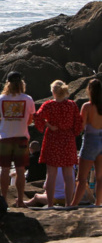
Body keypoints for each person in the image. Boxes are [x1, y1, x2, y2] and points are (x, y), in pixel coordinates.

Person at [33, 80, 83, 208]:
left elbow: (37, 117)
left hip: (53, 138)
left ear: (53, 92)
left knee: (51, 174)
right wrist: (72, 131)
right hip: (67, 139)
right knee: (68, 174)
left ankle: (50, 204)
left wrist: (48, 124)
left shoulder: (49, 105)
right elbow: (78, 123)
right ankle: (68, 204)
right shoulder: (71, 105)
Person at [0, 71, 35, 208]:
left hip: (4, 138)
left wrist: (4, 127)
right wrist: (21, 124)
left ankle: (4, 200)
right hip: (21, 137)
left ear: (8, 84)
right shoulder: (28, 99)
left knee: (4, 170)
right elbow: (30, 119)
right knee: (20, 170)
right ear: (22, 83)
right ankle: (21, 200)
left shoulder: (0, 99)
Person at [72, 78, 102, 206]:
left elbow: (81, 126)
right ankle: (98, 203)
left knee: (82, 178)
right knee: (100, 177)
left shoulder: (87, 106)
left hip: (90, 141)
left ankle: (73, 204)